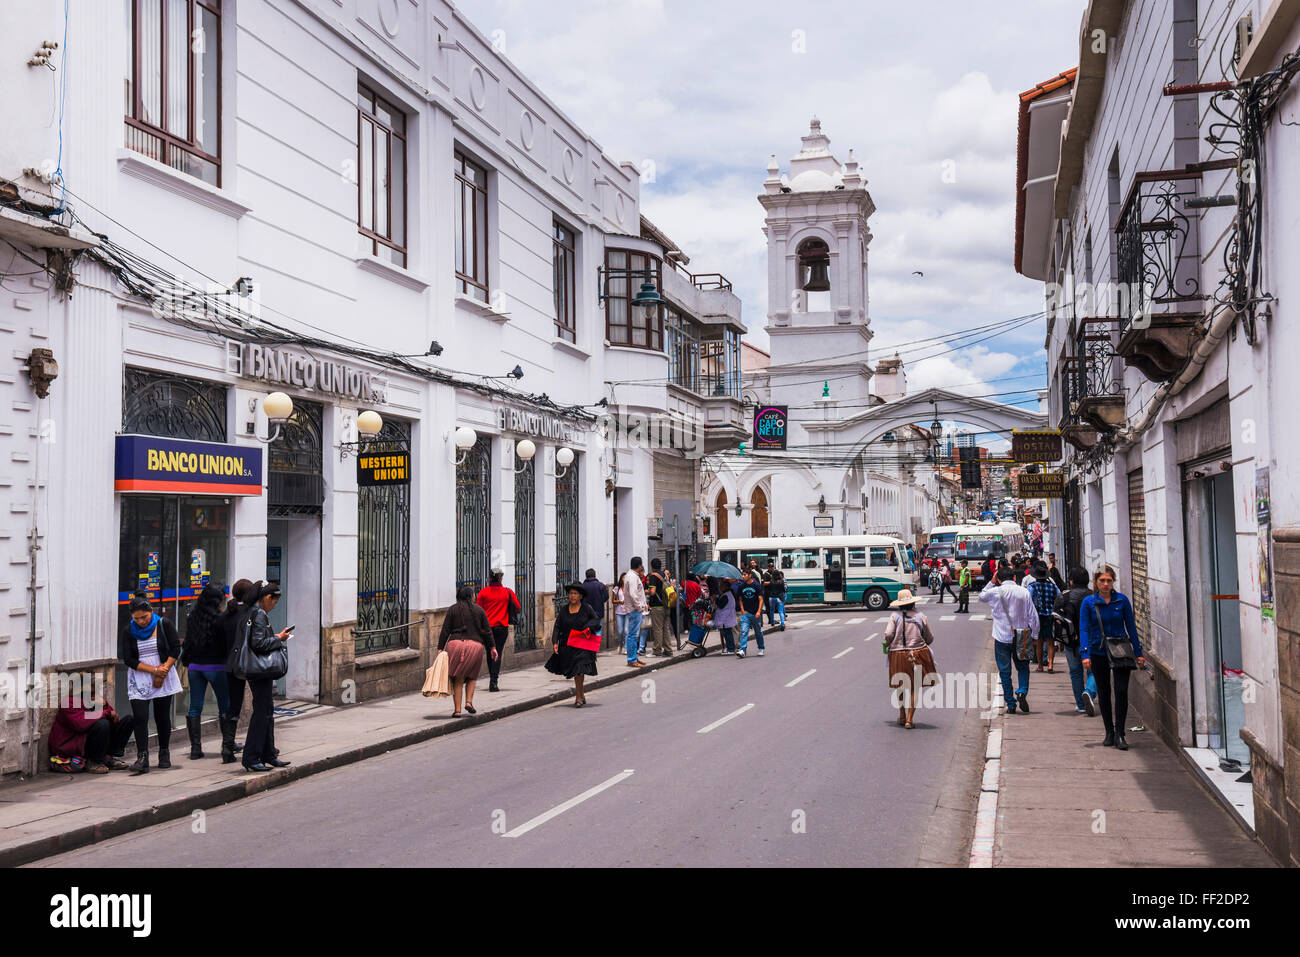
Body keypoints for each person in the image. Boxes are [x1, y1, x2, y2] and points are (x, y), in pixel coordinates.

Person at [1080, 565, 1145, 750]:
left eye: (1109, 580)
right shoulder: (1089, 603)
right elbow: (1083, 628)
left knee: (1122, 691)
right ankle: (1109, 731)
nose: (1106, 584)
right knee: (1104, 692)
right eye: (1102, 580)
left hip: (1120, 652)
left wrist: (1138, 653)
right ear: (1096, 582)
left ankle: (1120, 733)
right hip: (1098, 651)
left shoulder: (1122, 601)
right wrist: (1085, 654)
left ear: (1113, 581)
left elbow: (1131, 628)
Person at [118, 597, 183, 774]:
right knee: (140, 716)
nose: (140, 621)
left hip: (164, 672)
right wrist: (153, 670)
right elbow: (129, 659)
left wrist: (163, 670)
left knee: (162, 716)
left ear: (151, 612)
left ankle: (164, 752)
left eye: (144, 617)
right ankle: (142, 757)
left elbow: (175, 648)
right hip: (140, 675)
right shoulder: (129, 631)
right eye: (136, 618)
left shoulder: (163, 624)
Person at [240, 582, 293, 772]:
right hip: (260, 671)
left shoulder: (251, 611)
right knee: (262, 714)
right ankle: (251, 757)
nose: (274, 606)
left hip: (257, 671)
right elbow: (259, 643)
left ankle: (269, 754)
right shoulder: (259, 614)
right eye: (275, 602)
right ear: (268, 598)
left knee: (267, 711)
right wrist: (279, 638)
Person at [979, 560, 1040, 715]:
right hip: (1022, 635)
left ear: (999, 579)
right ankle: (1022, 691)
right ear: (1014, 578)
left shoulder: (996, 591)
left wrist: (991, 582)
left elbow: (982, 596)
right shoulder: (1024, 592)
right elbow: (1033, 615)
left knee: (1004, 671)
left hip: (1002, 637)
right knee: (1023, 667)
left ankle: (1011, 703)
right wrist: (1035, 635)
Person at [181, 582, 230, 760]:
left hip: (195, 668)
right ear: (218, 601)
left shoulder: (193, 617)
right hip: (217, 667)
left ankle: (195, 748)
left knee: (195, 707)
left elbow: (188, 643)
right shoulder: (221, 619)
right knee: (224, 706)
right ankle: (227, 745)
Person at [438, 584, 497, 716]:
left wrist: (440, 648)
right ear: (471, 596)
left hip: (454, 645)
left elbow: (445, 630)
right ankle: (469, 702)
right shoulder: (479, 610)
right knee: (472, 676)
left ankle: (457, 711)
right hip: (475, 646)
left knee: (458, 679)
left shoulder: (452, 610)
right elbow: (487, 631)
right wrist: (492, 647)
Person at [885, 588, 937, 729]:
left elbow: (888, 634)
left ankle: (901, 715)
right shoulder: (920, 616)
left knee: (900, 686)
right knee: (915, 688)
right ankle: (909, 719)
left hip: (897, 654)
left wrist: (888, 643)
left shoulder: (894, 616)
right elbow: (929, 638)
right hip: (918, 654)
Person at [49, 688, 134, 773]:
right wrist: (106, 712)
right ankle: (94, 762)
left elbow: (112, 723)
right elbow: (80, 725)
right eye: (92, 695)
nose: (95, 697)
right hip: (75, 743)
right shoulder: (69, 703)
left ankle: (107, 758)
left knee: (128, 720)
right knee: (102, 724)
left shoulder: (95, 702)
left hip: (91, 739)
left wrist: (105, 707)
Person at [546, 582, 601, 706]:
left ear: (580, 596)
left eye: (575, 593)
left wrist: (587, 628)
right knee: (575, 670)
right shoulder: (564, 610)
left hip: (583, 644)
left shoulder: (587, 608)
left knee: (579, 669)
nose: (572, 596)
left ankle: (578, 697)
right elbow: (557, 627)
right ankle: (581, 694)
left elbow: (596, 620)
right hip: (568, 645)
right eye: (571, 593)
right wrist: (555, 642)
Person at [1053, 566, 1098, 715]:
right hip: (1091, 641)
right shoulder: (1094, 596)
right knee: (1094, 672)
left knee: (1075, 672)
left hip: (1070, 641)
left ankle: (1081, 704)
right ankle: (1089, 692)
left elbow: (1055, 617)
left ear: (1071, 580)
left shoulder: (1064, 596)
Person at [219, 578, 255, 763]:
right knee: (261, 704)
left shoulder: (226, 614)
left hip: (230, 664)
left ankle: (227, 745)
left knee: (232, 706)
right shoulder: (250, 614)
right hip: (249, 663)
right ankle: (260, 744)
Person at [476, 569, 521, 693]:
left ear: (489, 578)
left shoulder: (483, 593)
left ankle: (492, 678)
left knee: (490, 652)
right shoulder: (508, 592)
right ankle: (493, 681)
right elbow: (518, 606)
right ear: (501, 578)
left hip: (487, 629)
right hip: (502, 627)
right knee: (498, 653)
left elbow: (478, 610)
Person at [1026, 560, 1060, 673]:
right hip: (1050, 616)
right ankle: (1050, 664)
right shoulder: (1053, 586)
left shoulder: (1032, 587)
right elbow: (1059, 598)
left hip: (1037, 617)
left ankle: (1040, 665)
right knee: (1050, 641)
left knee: (1039, 641)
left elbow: (1028, 600)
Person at [620, 558, 648, 667]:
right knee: (632, 635)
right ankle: (631, 659)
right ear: (640, 565)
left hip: (634, 609)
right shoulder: (632, 577)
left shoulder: (631, 575)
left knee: (634, 635)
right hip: (634, 610)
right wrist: (639, 607)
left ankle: (634, 658)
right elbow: (633, 594)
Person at [736, 568, 766, 659]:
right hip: (746, 613)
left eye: (745, 574)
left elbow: (761, 599)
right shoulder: (742, 586)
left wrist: (758, 611)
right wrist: (742, 610)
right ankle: (742, 650)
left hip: (755, 613)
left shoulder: (756, 585)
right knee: (744, 631)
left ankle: (761, 648)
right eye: (743, 574)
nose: (743, 576)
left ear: (750, 575)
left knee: (758, 632)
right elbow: (740, 599)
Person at [645, 558, 671, 657]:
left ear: (651, 566)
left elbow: (652, 592)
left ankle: (657, 651)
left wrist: (645, 591)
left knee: (658, 629)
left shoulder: (653, 576)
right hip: (666, 604)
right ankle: (668, 650)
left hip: (657, 605)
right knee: (666, 628)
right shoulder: (664, 575)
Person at [711, 576, 738, 654]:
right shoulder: (727, 594)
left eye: (721, 586)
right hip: (727, 617)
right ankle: (730, 648)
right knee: (727, 633)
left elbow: (721, 605)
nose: (720, 587)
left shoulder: (726, 595)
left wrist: (715, 599)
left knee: (727, 634)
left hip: (725, 618)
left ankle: (731, 649)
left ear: (725, 587)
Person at [581, 568, 608, 637]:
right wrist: (600, 602)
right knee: (597, 630)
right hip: (598, 611)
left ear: (586, 576)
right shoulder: (601, 585)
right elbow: (606, 597)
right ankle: (595, 647)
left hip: (586, 612)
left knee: (587, 629)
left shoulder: (582, 586)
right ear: (595, 575)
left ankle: (589, 646)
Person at [763, 559, 787, 631]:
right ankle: (782, 623)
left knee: (772, 610)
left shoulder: (771, 581)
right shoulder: (781, 581)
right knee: (780, 611)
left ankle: (772, 622)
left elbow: (768, 586)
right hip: (779, 598)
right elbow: (783, 589)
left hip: (771, 597)